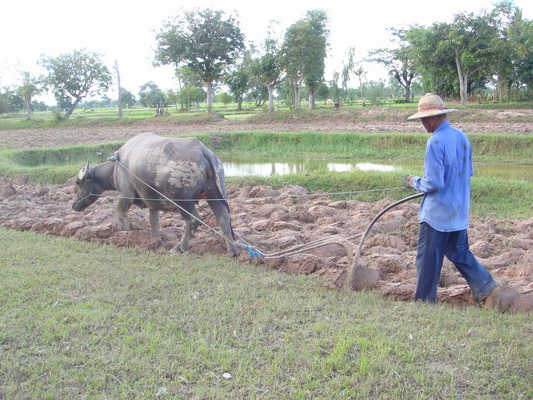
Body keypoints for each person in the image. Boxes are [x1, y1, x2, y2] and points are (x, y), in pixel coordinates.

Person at [404, 93, 501, 309]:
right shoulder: (461, 137)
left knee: (427, 260)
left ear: (430, 118)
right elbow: (468, 172)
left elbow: (434, 183)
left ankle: (424, 303)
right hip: (458, 211)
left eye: (422, 120)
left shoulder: (435, 142)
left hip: (437, 215)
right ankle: (487, 286)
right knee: (459, 252)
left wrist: (413, 181)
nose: (422, 124)